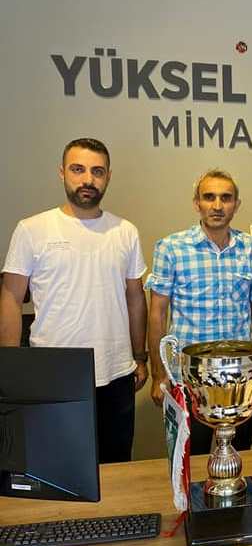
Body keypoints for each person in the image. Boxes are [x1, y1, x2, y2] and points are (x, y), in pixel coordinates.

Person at [0, 138, 148, 463]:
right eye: (78, 169)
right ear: (62, 172)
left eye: (97, 171)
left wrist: (140, 357)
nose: (88, 179)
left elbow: (136, 297)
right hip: (53, 375)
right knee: (59, 470)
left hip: (116, 372)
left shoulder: (125, 231)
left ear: (108, 176)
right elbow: (10, 296)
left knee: (116, 467)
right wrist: (10, 368)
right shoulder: (32, 229)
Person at [146, 169, 252, 453]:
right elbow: (157, 315)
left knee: (239, 454)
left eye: (226, 198)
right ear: (196, 203)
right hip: (189, 378)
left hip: (239, 377)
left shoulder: (249, 248)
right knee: (192, 456)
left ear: (236, 205)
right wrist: (158, 374)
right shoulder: (171, 248)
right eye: (209, 197)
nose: (217, 205)